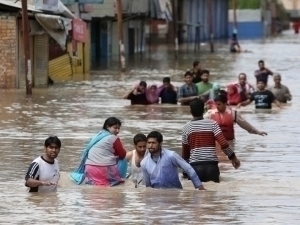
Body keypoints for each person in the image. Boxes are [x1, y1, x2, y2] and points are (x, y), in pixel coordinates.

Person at [182, 98, 241, 183]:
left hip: (195, 167)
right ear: (204, 110)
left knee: (195, 194)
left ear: (190, 111)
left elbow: (186, 153)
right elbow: (224, 144)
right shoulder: (213, 124)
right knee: (213, 194)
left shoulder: (186, 127)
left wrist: (185, 170)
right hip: (211, 166)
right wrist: (234, 158)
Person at [70, 117, 128, 186]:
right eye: (115, 128)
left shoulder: (97, 136)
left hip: (89, 168)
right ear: (107, 127)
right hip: (102, 170)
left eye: (118, 128)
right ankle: (118, 180)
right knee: (124, 159)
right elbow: (122, 154)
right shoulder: (114, 138)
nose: (117, 131)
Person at [141, 131, 205, 190]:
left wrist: (199, 186)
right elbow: (148, 186)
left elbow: (188, 169)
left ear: (160, 143)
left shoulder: (171, 155)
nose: (150, 145)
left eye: (154, 143)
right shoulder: (144, 163)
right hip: (156, 195)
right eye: (149, 143)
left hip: (175, 193)